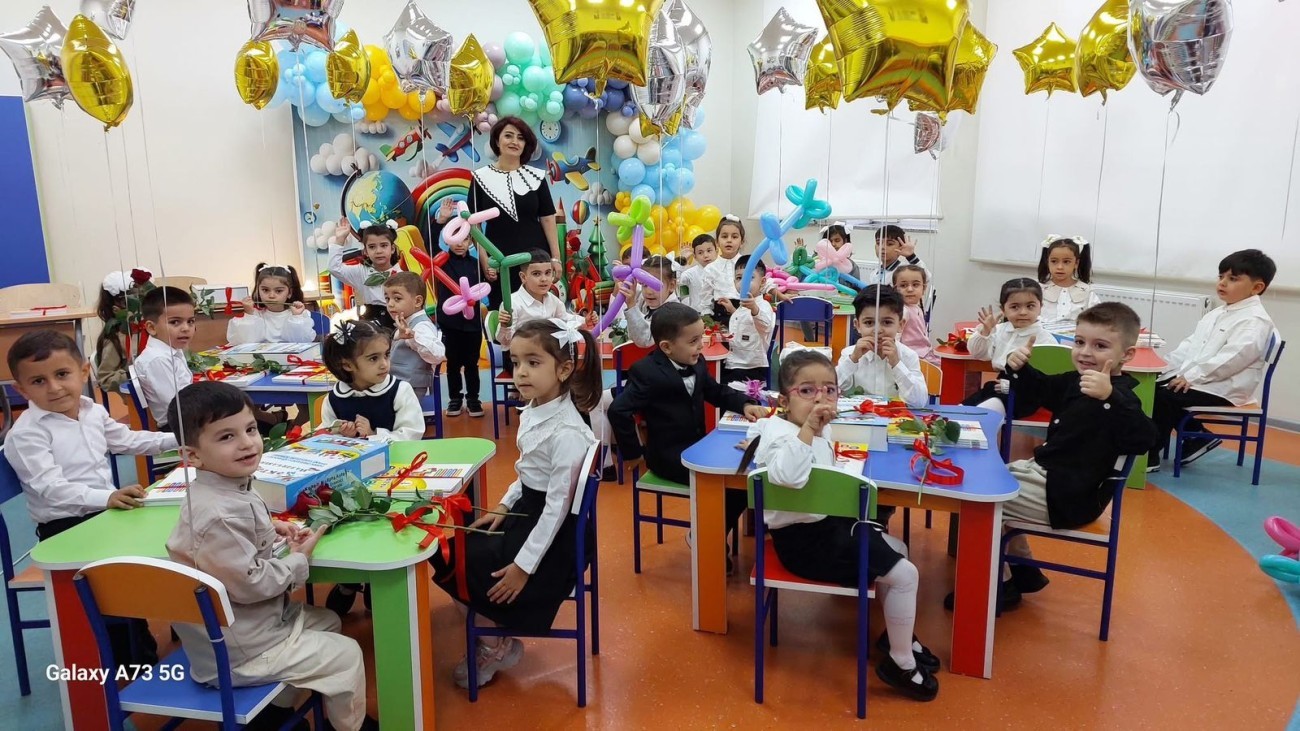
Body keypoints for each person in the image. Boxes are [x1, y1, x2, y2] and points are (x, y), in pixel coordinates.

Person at [164, 382, 378, 731]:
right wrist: (298, 560)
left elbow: (236, 536)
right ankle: (350, 728)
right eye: (226, 437)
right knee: (346, 655)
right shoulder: (218, 514)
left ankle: (273, 714)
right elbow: (251, 584)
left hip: (247, 628)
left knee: (328, 622)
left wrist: (271, 527)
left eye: (250, 429)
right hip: (238, 651)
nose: (247, 442)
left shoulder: (223, 486)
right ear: (193, 456)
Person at [739, 350, 939, 701]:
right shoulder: (784, 433)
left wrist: (813, 431)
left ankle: (897, 637)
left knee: (900, 551)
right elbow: (787, 475)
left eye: (829, 390)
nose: (820, 399)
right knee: (907, 575)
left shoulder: (809, 426)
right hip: (805, 545)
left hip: (830, 530)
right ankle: (901, 663)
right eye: (807, 391)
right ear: (784, 401)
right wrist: (808, 430)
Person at [949, 303, 1157, 610]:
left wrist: (1110, 397)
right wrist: (1020, 367)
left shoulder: (1121, 396)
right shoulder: (1076, 380)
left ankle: (997, 586)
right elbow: (1042, 390)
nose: (1085, 352)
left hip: (1069, 495)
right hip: (1046, 475)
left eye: (1100, 346)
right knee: (978, 481)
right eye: (1079, 342)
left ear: (1126, 355)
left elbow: (1146, 438)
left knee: (978, 499)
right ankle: (1022, 572)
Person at [429, 319, 600, 688]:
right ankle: (491, 628)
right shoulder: (538, 408)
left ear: (564, 369)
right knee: (449, 548)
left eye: (533, 363)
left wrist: (523, 567)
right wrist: (505, 505)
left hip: (554, 539)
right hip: (531, 514)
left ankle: (495, 645)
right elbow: (527, 473)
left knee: (457, 558)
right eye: (516, 362)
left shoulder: (567, 432)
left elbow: (556, 511)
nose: (520, 372)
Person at [7, 330, 174, 668]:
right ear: (21, 390)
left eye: (62, 374)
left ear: (84, 371)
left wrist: (182, 439)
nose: (54, 387)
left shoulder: (91, 411)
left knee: (170, 544)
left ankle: (161, 635)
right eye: (38, 381)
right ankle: (130, 661)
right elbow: (52, 488)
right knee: (117, 585)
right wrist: (108, 497)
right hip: (64, 528)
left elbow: (128, 441)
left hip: (104, 514)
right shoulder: (26, 434)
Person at [609, 303, 767, 569]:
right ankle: (707, 538)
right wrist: (634, 453)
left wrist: (744, 404)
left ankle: (712, 532)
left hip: (699, 446)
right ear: (667, 347)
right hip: (668, 455)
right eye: (693, 341)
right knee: (729, 483)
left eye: (701, 338)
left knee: (745, 476)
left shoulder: (696, 361)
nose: (700, 346)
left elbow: (715, 391)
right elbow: (618, 410)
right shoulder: (646, 372)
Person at [318, 319, 425, 616]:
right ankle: (348, 580)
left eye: (386, 355)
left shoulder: (399, 390)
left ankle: (378, 580)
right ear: (347, 365)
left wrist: (375, 435)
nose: (384, 364)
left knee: (382, 530)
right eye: (373, 358)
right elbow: (323, 442)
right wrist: (340, 436)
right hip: (348, 481)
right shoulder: (334, 398)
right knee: (346, 528)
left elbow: (412, 434)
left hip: (393, 478)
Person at [1149, 249, 1277, 472]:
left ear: (1257, 287)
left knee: (1164, 397)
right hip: (1204, 379)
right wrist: (1164, 368)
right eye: (1221, 277)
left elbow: (1232, 359)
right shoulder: (1219, 313)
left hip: (1225, 386)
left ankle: (1150, 456)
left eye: (1233, 279)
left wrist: (1191, 376)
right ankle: (1198, 436)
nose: (1223, 283)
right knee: (1151, 386)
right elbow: (1190, 346)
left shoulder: (1255, 321)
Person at [434, 116, 559, 309]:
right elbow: (473, 224)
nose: (515, 141)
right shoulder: (480, 178)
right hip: (498, 258)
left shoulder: (537, 177)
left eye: (520, 138)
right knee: (503, 314)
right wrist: (484, 260)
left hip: (536, 259)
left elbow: (548, 219)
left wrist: (555, 259)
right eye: (508, 136)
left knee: (539, 314)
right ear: (497, 141)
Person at [963, 278, 1055, 418]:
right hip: (999, 385)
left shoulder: (1045, 339)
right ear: (1003, 310)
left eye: (1030, 306)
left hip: (1027, 393)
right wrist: (986, 331)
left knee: (987, 409)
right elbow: (979, 354)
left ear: (1040, 307)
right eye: (1014, 307)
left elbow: (1046, 382)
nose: (1023, 312)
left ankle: (978, 422)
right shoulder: (1000, 330)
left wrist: (1010, 385)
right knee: (969, 404)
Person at [496, 249, 590, 376]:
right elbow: (505, 343)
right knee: (552, 368)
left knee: (571, 361)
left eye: (548, 273)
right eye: (536, 274)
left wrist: (584, 320)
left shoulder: (553, 300)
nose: (544, 279)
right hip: (519, 357)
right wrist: (504, 326)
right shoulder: (512, 303)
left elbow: (564, 319)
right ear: (523, 277)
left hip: (547, 353)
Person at [836, 285, 928, 408]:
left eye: (887, 322)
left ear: (901, 325)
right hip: (859, 417)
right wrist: (852, 360)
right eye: (869, 322)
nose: (878, 330)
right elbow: (832, 389)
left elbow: (919, 402)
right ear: (857, 325)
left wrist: (896, 364)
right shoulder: (849, 354)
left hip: (896, 418)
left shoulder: (908, 356)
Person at [433, 221, 486, 418]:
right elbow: (430, 241)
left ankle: (473, 399)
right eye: (455, 238)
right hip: (450, 322)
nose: (460, 243)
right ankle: (455, 399)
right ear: (448, 238)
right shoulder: (441, 261)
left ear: (471, 240)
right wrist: (439, 222)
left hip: (472, 323)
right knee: (453, 363)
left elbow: (488, 282)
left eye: (465, 239)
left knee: (472, 364)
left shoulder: (476, 264)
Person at [132, 286, 195, 428]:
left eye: (190, 321)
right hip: (178, 427)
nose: (186, 328)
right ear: (151, 328)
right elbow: (176, 406)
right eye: (175, 322)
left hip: (188, 419)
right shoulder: (157, 360)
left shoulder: (172, 350)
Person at [329, 219, 404, 331]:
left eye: (384, 245)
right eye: (372, 247)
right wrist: (340, 239)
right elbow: (334, 268)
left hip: (397, 324)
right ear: (365, 251)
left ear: (392, 248)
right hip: (370, 325)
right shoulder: (361, 272)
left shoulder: (402, 276)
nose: (378, 251)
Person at [383, 271, 446, 396]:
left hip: (411, 387)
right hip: (399, 383)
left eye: (397, 298)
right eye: (387, 298)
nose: (390, 304)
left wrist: (414, 336)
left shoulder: (421, 326)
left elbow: (438, 355)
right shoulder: (405, 322)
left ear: (417, 301)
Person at [93, 267, 151, 393]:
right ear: (116, 309)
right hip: (139, 398)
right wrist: (133, 374)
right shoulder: (116, 339)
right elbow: (105, 380)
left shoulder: (152, 330)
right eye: (132, 303)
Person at [227, 264, 316, 344]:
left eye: (278, 291)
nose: (271, 296)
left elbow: (302, 342)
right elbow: (244, 343)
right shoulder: (255, 315)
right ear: (258, 290)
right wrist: (249, 315)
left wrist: (296, 317)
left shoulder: (300, 315)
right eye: (265, 290)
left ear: (289, 293)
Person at [721, 255, 775, 386]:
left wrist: (754, 309)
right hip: (734, 362)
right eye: (739, 278)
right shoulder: (742, 306)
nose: (743, 283)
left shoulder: (763, 306)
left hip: (751, 367)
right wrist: (732, 309)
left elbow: (765, 326)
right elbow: (745, 322)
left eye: (750, 278)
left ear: (762, 281)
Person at [1037, 236, 1100, 325]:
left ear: (1076, 263)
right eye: (1054, 261)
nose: (1060, 267)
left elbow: (1097, 321)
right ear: (1047, 262)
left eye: (1066, 262)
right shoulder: (1038, 289)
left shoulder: (1087, 291)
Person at [700, 215, 746, 324]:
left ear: (742, 242)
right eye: (724, 236)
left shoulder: (748, 264)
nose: (729, 240)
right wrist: (707, 318)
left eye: (734, 237)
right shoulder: (711, 268)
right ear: (717, 242)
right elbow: (706, 297)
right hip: (719, 318)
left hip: (744, 314)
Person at [893, 264, 937, 366]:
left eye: (915, 285)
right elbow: (895, 338)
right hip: (912, 358)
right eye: (903, 285)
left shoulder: (916, 307)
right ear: (895, 289)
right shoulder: (903, 311)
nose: (910, 289)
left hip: (925, 353)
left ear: (924, 288)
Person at [678, 234, 717, 314]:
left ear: (716, 251)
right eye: (700, 253)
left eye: (709, 251)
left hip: (718, 314)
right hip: (696, 313)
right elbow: (683, 293)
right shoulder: (688, 274)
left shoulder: (722, 271)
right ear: (695, 256)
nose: (705, 255)